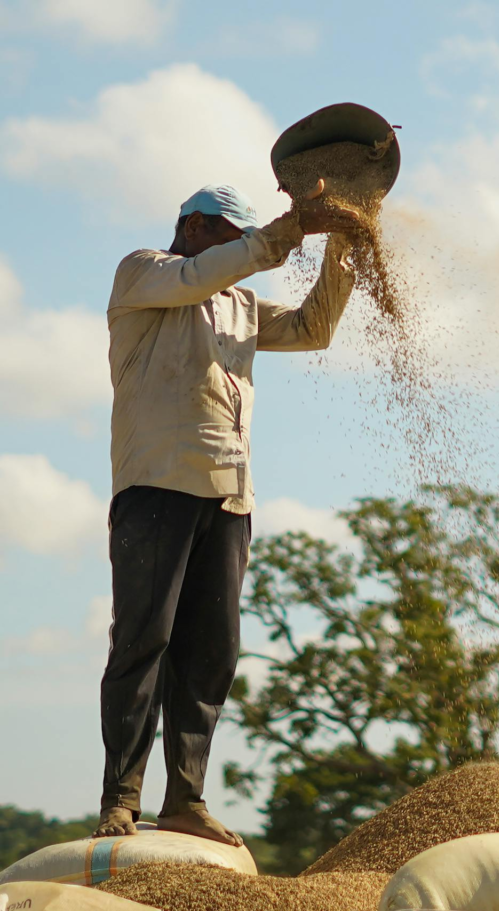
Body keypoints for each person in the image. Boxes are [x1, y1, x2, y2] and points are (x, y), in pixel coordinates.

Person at [94, 179, 358, 844]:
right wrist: (286, 230)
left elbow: (312, 329)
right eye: (232, 236)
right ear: (195, 226)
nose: (242, 248)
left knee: (213, 652)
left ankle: (184, 798)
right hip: (157, 483)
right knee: (142, 642)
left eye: (245, 239)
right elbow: (201, 276)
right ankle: (121, 798)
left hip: (228, 493)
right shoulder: (145, 273)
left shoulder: (238, 302)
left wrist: (346, 246)